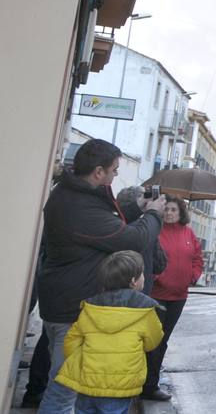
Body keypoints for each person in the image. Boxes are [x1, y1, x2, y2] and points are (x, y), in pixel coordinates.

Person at [38, 140, 164, 414]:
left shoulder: (73, 195)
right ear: (98, 172)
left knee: (67, 389)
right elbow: (132, 238)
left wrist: (134, 209)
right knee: (63, 391)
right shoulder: (78, 205)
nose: (116, 175)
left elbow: (102, 230)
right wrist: (154, 214)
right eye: (114, 170)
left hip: (64, 299)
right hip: (70, 306)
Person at [54, 250, 163, 414]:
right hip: (120, 383)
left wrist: (82, 362)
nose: (144, 277)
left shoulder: (90, 308)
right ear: (133, 281)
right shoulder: (145, 311)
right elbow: (153, 342)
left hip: (87, 382)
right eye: (142, 274)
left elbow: (72, 341)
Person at [143, 197, 201, 401]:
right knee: (154, 341)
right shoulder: (155, 231)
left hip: (179, 296)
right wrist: (156, 277)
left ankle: (150, 383)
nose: (168, 213)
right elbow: (147, 257)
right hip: (157, 294)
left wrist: (193, 276)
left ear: (180, 212)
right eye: (166, 209)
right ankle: (148, 386)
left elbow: (197, 258)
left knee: (164, 340)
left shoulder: (188, 233)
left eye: (173, 210)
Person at [113, 188, 166, 299]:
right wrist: (153, 213)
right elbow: (160, 264)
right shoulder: (146, 230)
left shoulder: (112, 225)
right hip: (140, 291)